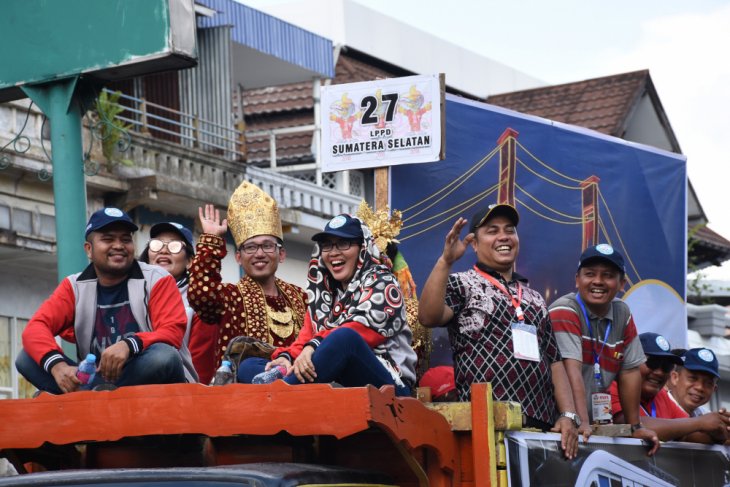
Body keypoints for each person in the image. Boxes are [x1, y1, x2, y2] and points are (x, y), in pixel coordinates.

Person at [418, 203, 580, 459]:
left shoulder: (535, 298)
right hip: (487, 425)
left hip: (540, 428)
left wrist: (568, 415)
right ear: (474, 243)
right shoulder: (462, 284)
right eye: (492, 231)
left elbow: (555, 361)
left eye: (510, 230)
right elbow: (428, 317)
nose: (503, 237)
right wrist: (445, 261)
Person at [16, 207, 192, 394]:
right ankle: (91, 393)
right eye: (108, 239)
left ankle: (91, 395)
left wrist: (128, 345)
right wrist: (57, 366)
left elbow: (172, 331)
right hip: (98, 379)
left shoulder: (157, 278)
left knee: (163, 356)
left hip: (148, 380)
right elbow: (35, 328)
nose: (119, 245)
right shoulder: (74, 286)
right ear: (89, 250)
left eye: (126, 239)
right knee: (26, 358)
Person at [238, 214, 417, 396]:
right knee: (248, 366)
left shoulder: (383, 282)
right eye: (327, 245)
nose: (333, 252)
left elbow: (359, 332)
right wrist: (287, 358)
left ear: (363, 248)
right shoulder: (323, 294)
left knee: (345, 338)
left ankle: (278, 396)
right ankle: (283, 386)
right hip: (335, 375)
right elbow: (304, 339)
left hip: (390, 385)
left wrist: (312, 346)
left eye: (343, 243)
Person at [549, 244, 658, 450]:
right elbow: (571, 370)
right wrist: (580, 422)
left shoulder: (622, 312)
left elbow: (631, 371)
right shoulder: (565, 309)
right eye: (590, 274)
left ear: (622, 283)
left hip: (588, 429)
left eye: (607, 275)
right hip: (559, 424)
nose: (598, 281)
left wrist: (635, 427)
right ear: (577, 280)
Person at [188, 182, 307, 367]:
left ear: (281, 254)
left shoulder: (302, 298)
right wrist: (211, 243)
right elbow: (200, 295)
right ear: (238, 257)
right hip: (247, 388)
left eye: (267, 245)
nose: (259, 253)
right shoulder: (230, 297)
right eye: (250, 247)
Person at [610, 333, 730, 444]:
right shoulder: (614, 387)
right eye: (653, 363)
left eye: (666, 366)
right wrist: (701, 422)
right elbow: (628, 426)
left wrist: (719, 430)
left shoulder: (662, 396)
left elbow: (690, 434)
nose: (659, 372)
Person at [140, 222, 217, 384]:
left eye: (174, 246)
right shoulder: (131, 290)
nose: (163, 250)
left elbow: (200, 369)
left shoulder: (198, 304)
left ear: (189, 261)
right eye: (156, 244)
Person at [667, 347, 719, 417]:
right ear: (675, 378)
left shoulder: (705, 416)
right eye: (693, 378)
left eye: (708, 383)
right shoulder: (656, 406)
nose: (700, 387)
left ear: (714, 389)